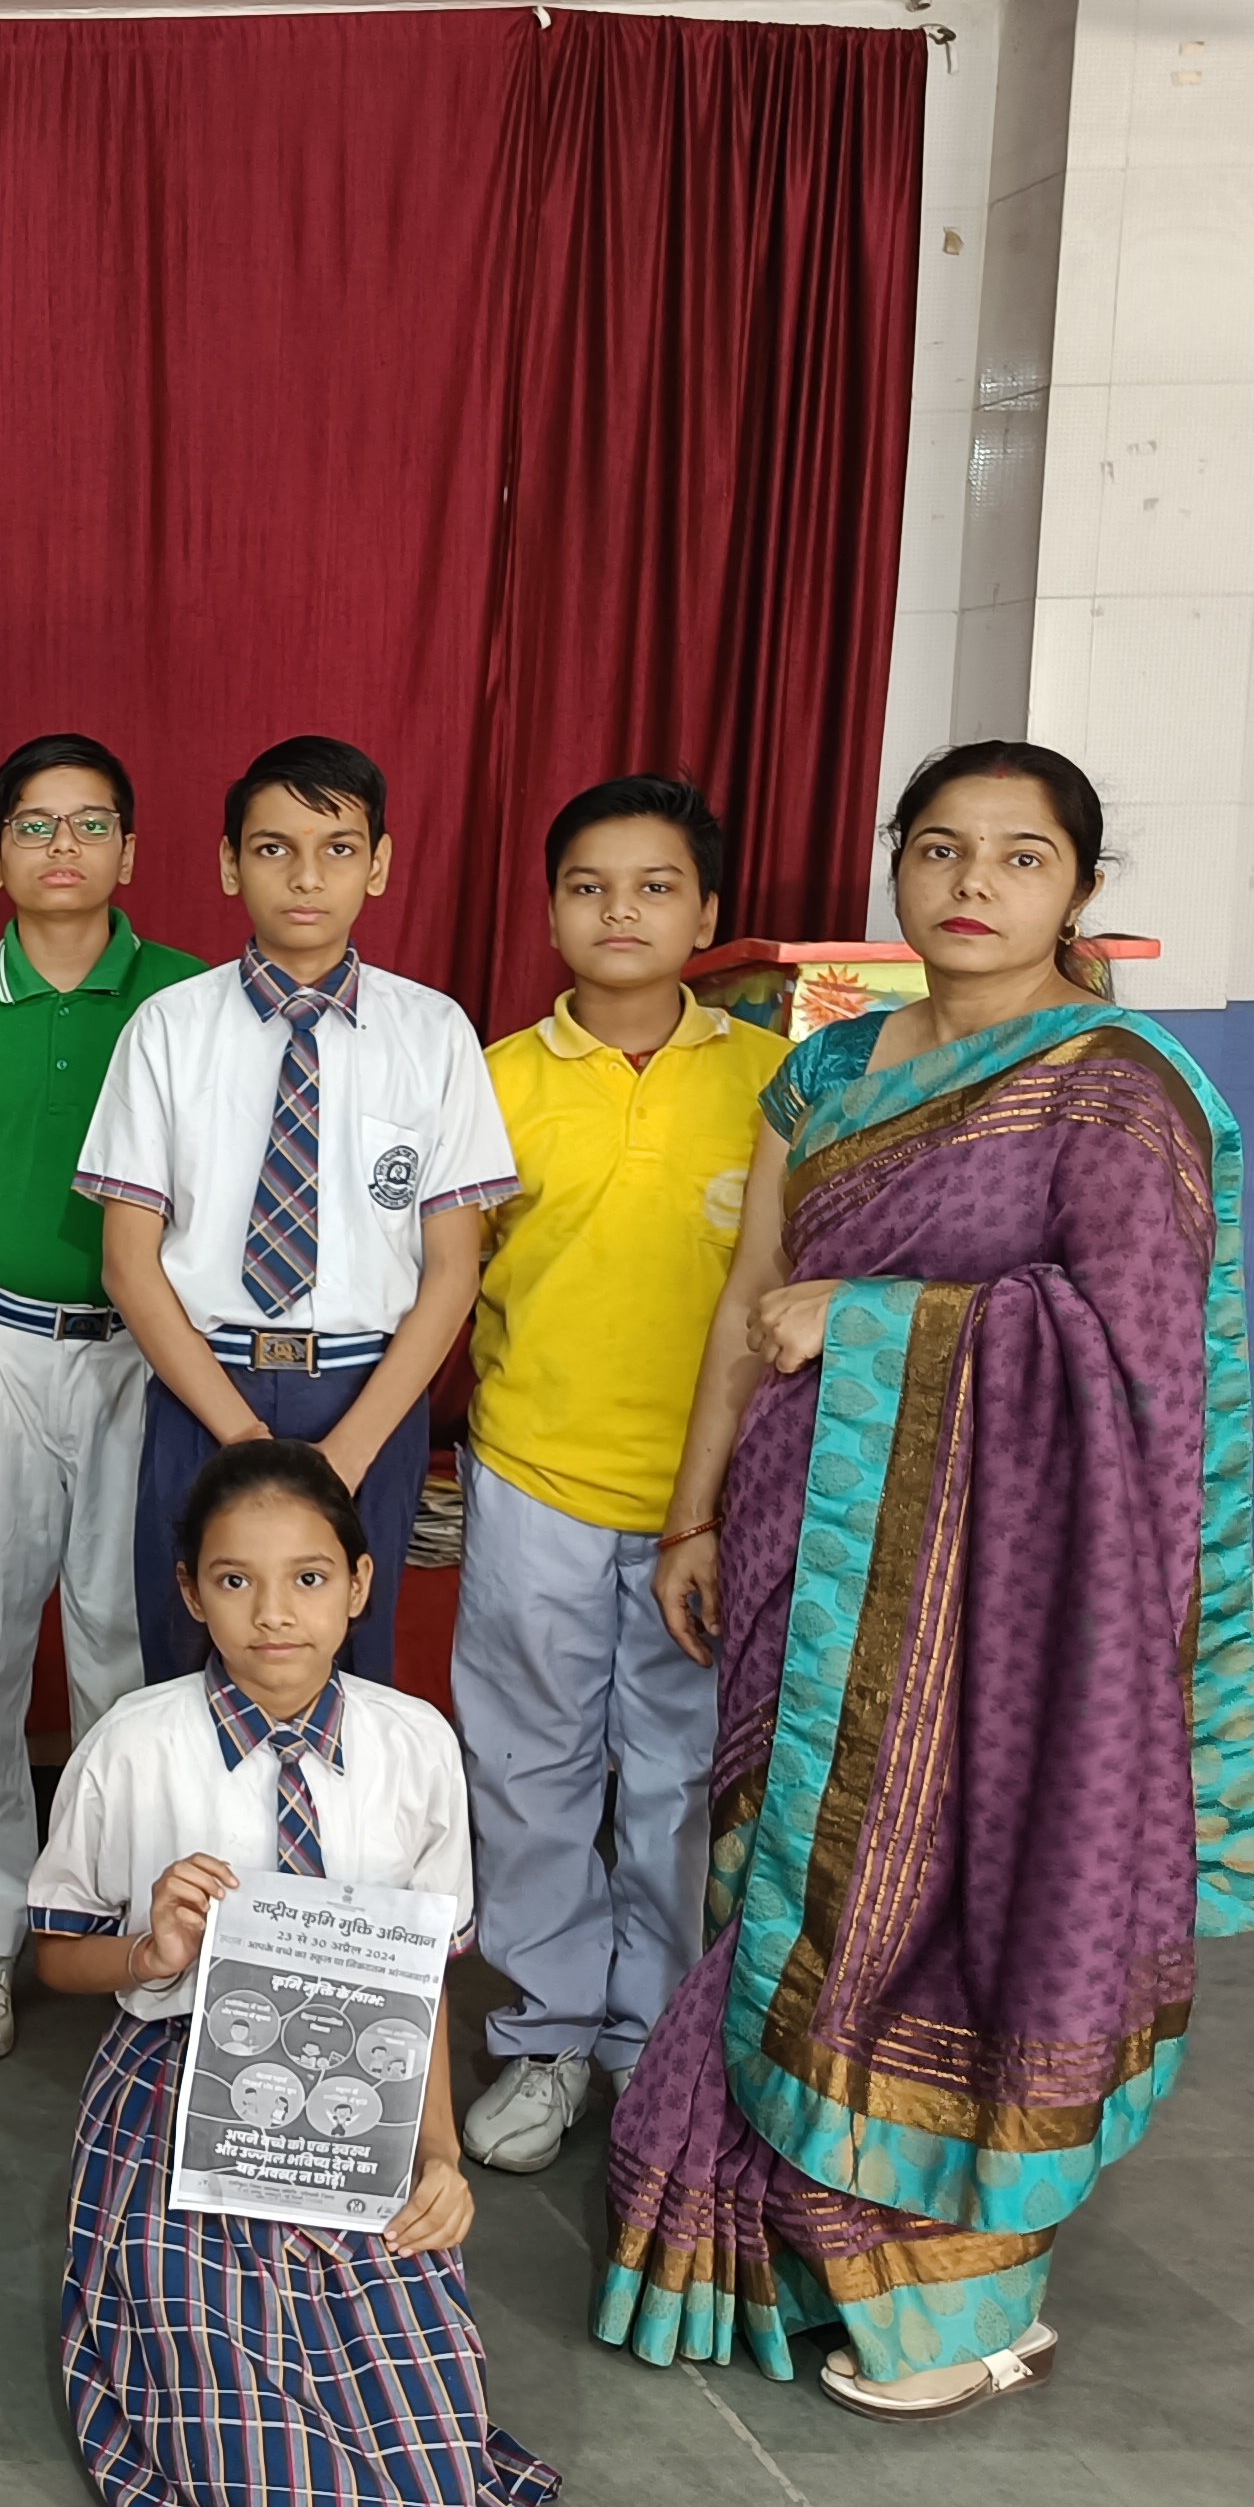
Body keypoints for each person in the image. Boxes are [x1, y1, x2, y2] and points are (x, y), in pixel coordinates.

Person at [598, 744, 1254, 2420]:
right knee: (784, 1889)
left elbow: (1139, 1358)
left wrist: (878, 1318)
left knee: (948, 1910)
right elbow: (748, 1292)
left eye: (1022, 855)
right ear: (896, 863)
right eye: (940, 847)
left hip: (1007, 1604)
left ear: (1081, 887)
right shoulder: (824, 1070)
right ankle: (809, 2254)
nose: (975, 883)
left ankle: (962, 2306)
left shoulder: (1118, 1087)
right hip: (804, 1549)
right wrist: (691, 1518)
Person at [27, 1438, 563, 2507]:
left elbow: (420, 1983)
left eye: (309, 1578)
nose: (273, 1612)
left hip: (362, 2099)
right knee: (273, 2497)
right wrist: (148, 1954)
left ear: (361, 1585)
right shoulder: (133, 1742)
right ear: (188, 1591)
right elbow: (56, 1954)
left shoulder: (414, 1744)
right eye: (234, 1580)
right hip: (175, 2096)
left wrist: (439, 2158)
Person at [446, 776, 784, 2175]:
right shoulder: (490, 1080)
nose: (620, 912)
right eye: (588, 886)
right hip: (534, 1477)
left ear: (707, 915)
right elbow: (447, 1285)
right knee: (526, 1768)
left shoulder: (777, 1084)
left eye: (655, 887)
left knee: (674, 1782)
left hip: (712, 1502)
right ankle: (544, 2034)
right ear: (549, 912)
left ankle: (652, 2037)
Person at [78, 735, 514, 1695]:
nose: (307, 876)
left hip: (367, 1394)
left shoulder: (434, 1034)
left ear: (380, 864)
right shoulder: (168, 1030)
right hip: (206, 1388)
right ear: (230, 863)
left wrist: (349, 1449)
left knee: (351, 1660)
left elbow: (453, 1271)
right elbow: (128, 1264)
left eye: (338, 849)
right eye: (274, 848)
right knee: (188, 1653)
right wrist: (241, 1438)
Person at [0, 732, 206, 2065]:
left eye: (89, 824)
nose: (62, 848)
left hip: (146, 1353)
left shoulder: (190, 997)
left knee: (121, 1644)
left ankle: (123, 1927)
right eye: (34, 825)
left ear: (129, 849)